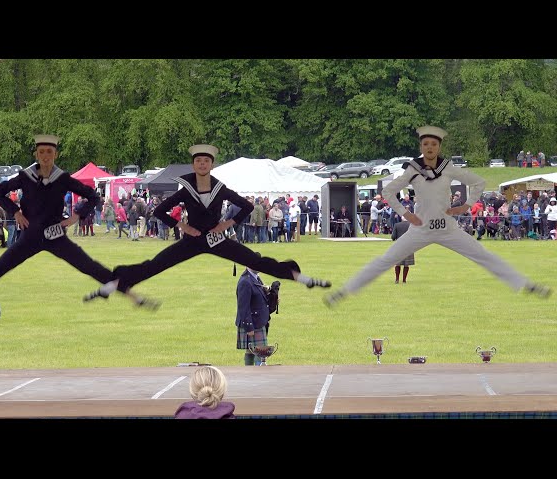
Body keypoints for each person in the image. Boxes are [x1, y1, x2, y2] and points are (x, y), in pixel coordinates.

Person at [0, 134, 156, 321]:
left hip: (56, 236)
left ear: (55, 154)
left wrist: (75, 216)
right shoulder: (25, 177)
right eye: (42, 152)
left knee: (89, 265)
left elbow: (93, 196)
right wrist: (15, 212)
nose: (46, 156)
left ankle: (132, 295)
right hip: (31, 236)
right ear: (37, 154)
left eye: (50, 152)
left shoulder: (63, 178)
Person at [325, 125, 551, 306]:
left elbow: (478, 182)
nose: (430, 147)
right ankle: (346, 291)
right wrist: (406, 213)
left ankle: (524, 283)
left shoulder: (448, 167)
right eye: (426, 144)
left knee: (482, 254)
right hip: (421, 228)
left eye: (434, 144)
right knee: (386, 259)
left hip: (447, 227)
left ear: (439, 147)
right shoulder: (412, 170)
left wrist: (466, 205)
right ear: (421, 146)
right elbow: (387, 191)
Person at [84, 144, 331, 303]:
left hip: (216, 239)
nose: (202, 164)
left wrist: (227, 224)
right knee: (156, 264)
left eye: (206, 161)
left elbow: (245, 205)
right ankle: (117, 282)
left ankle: (299, 277)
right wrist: (182, 226)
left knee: (254, 260)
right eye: (198, 161)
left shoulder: (219, 188)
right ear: (194, 164)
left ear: (211, 164)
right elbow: (159, 210)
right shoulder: (187, 187)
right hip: (192, 240)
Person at [236, 260, 271, 366]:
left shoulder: (255, 278)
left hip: (258, 321)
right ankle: (257, 374)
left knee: (250, 350)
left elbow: (258, 298)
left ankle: (249, 372)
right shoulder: (245, 282)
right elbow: (243, 307)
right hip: (252, 322)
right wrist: (249, 327)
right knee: (260, 352)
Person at [390, 216, 412, 284]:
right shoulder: (411, 225)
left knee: (398, 264)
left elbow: (393, 237)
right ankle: (404, 280)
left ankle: (397, 279)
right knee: (406, 264)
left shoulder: (397, 225)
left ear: (402, 218)